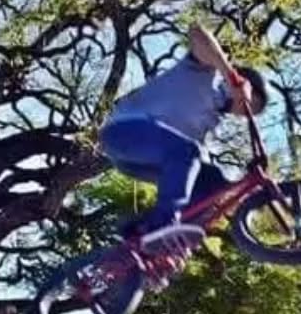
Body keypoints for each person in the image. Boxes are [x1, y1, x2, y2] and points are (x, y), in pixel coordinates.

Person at [100, 23, 267, 245]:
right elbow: (197, 32)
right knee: (187, 151)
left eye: (249, 113)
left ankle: (145, 236)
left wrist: (243, 185)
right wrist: (230, 75)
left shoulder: (211, 120)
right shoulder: (204, 73)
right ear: (246, 84)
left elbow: (194, 171)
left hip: (139, 161)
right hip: (123, 132)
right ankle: (163, 224)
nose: (244, 112)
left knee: (212, 182)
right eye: (250, 104)